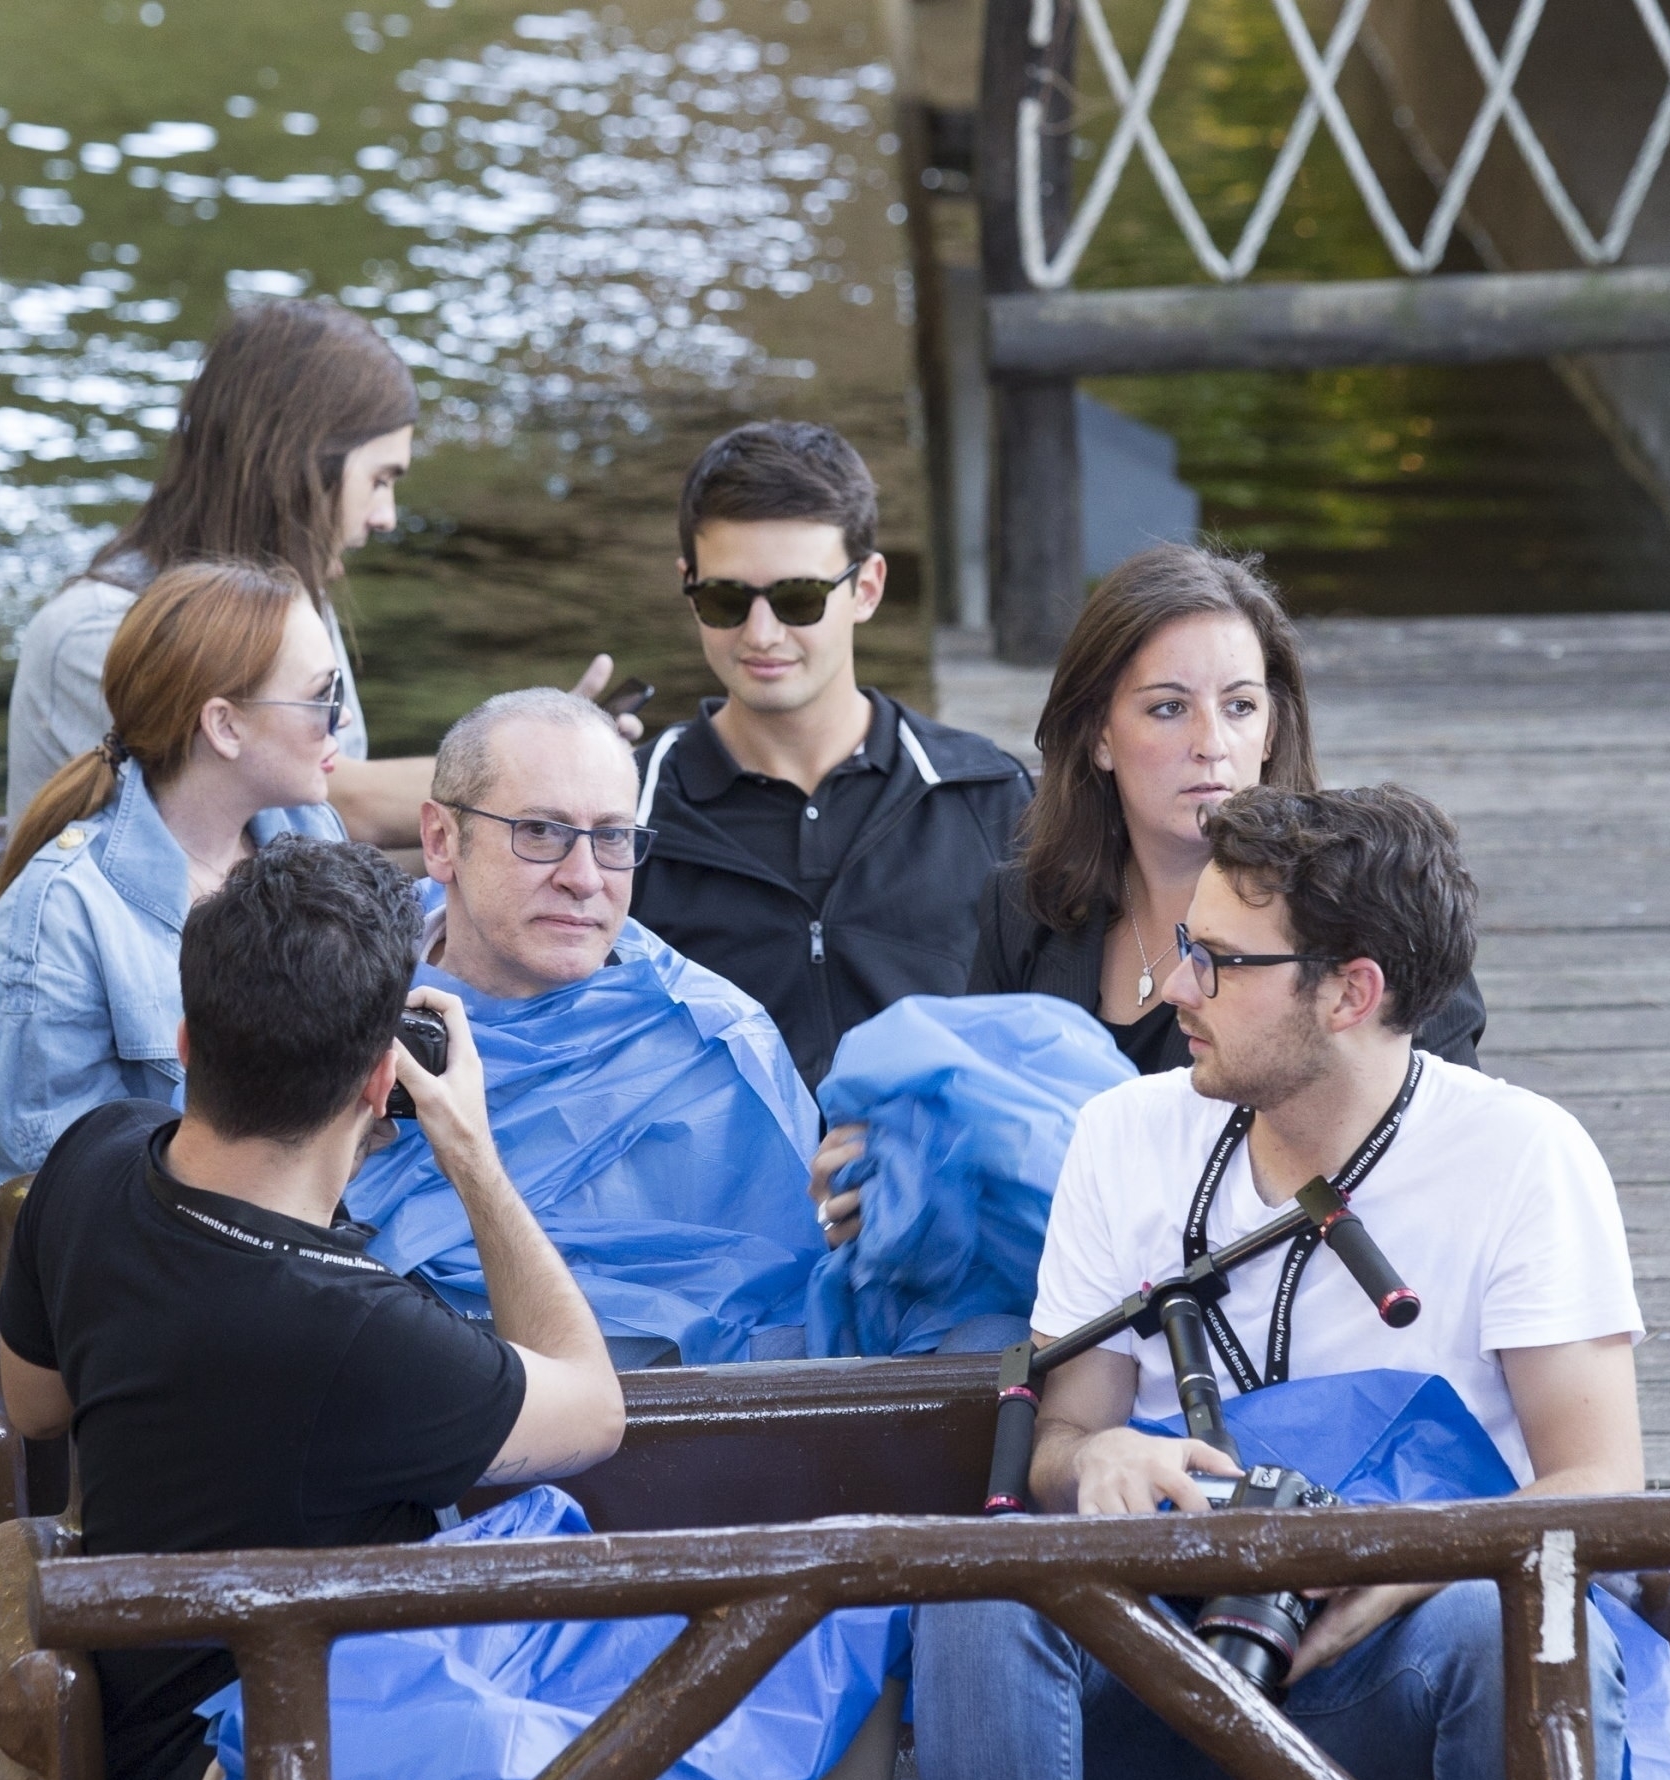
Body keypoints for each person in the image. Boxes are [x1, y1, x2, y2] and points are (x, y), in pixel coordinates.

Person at [0, 838, 899, 1780]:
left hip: (202, 1740)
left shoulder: (95, 1157)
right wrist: (472, 1149)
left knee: (795, 1637)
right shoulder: (358, 1329)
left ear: (186, 1042)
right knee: (831, 1626)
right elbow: (591, 1406)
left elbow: (35, 1399)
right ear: (385, 1082)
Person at [908, 785, 1649, 1780]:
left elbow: (1602, 1482)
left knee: (1499, 1624)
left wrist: (1406, 1560)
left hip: (1400, 1726)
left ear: (1350, 991)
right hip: (1159, 1710)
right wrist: (1094, 1457)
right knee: (980, 1594)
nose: (1173, 986)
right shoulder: (1122, 1132)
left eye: (1218, 959)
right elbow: (1059, 1435)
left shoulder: (1525, 1155)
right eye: (1180, 944)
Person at [811, 540, 1484, 1251]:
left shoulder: (1375, 909)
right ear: (1099, 736)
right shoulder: (1024, 909)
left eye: (1240, 705)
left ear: (1272, 730)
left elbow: (1446, 1173)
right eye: (1168, 708)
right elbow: (975, 1135)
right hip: (1058, 1295)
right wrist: (882, 1183)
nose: (1211, 742)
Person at [6, 297, 629, 846]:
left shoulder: (298, 609)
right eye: (379, 479)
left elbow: (334, 846)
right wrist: (531, 766)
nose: (386, 517)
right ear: (299, 468)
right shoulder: (104, 632)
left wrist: (550, 810)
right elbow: (338, 804)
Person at [344, 688, 823, 1367]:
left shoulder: (717, 1047)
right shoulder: (333, 1000)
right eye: (541, 831)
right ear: (441, 841)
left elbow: (788, 1334)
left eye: (612, 837)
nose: (584, 877)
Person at [627, 422, 1033, 1084]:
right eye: (726, 599)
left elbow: (1055, 1048)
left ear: (866, 588)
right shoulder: (623, 815)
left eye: (798, 598)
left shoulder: (986, 795)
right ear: (688, 584)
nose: (762, 634)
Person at [0, 559, 345, 1182]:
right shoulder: (58, 929)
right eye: (321, 697)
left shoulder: (311, 833)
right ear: (224, 725)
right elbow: (66, 1200)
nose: (341, 719)